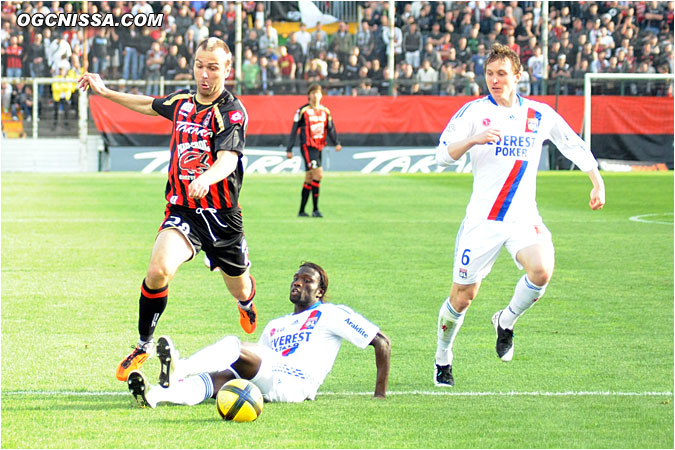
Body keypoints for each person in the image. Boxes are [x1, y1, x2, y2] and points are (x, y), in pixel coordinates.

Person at [78, 37, 259, 383]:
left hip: (222, 217)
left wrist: (207, 177)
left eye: (213, 68)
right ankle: (144, 343)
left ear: (227, 70)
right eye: (199, 65)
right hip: (183, 210)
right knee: (158, 270)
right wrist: (105, 92)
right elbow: (148, 104)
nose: (204, 74)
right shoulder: (182, 102)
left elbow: (228, 159)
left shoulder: (231, 112)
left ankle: (246, 302)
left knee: (239, 287)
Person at [433, 43, 605, 387]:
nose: (494, 81)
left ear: (517, 76)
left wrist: (596, 181)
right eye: (489, 74)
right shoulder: (472, 112)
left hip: (523, 218)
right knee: (462, 298)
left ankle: (506, 321)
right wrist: (474, 140)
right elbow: (442, 155)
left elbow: (571, 143)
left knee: (541, 271)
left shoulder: (539, 115)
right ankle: (443, 357)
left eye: (501, 74)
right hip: (483, 222)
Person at [127, 262, 391, 406]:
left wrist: (380, 394)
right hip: (274, 376)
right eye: (296, 278)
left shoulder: (331, 313)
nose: (298, 282)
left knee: (233, 345)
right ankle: (155, 396)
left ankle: (178, 369)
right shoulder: (277, 324)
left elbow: (382, 342)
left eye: (307, 280)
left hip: (298, 382)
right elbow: (259, 362)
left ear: (319, 292)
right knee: (216, 378)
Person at [286, 84, 342, 218]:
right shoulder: (303, 111)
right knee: (318, 174)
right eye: (313, 93)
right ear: (309, 95)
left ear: (322, 95)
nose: (316, 95)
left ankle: (301, 210)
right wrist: (289, 148)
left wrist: (336, 143)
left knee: (309, 178)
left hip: (319, 147)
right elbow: (294, 130)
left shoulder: (325, 111)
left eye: (318, 93)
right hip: (307, 147)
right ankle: (316, 209)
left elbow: (330, 128)